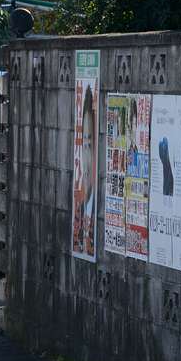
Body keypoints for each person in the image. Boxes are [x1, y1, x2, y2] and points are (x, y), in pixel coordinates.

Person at [72, 87, 97, 255]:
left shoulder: (96, 206)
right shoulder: (79, 210)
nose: (86, 159)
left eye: (90, 144)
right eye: (85, 146)